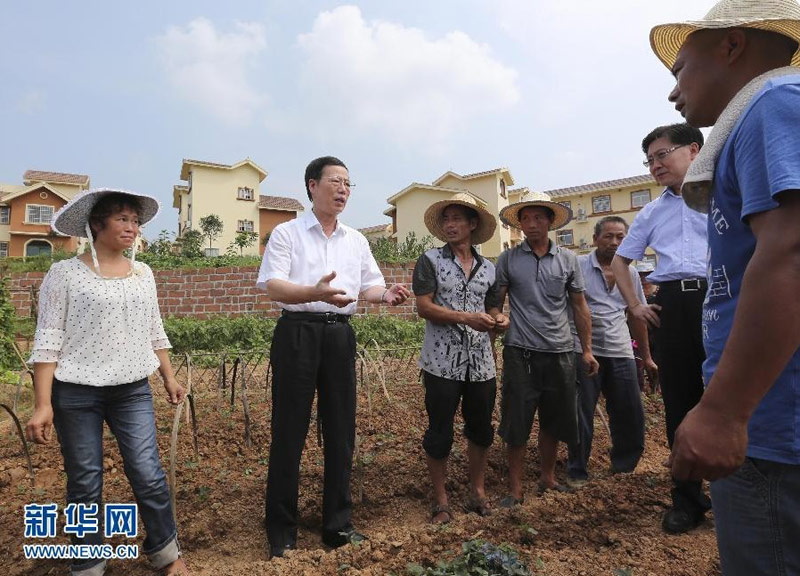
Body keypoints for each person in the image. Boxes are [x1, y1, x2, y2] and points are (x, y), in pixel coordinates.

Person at [650, 1, 800, 572]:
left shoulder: (773, 105)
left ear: (731, 46)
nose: (674, 92)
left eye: (679, 69)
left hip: (773, 422)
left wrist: (725, 412)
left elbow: (790, 255)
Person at [25, 189, 190, 576]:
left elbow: (154, 330)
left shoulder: (143, 273)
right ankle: (87, 562)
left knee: (147, 473)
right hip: (75, 392)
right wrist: (43, 403)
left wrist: (168, 377)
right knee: (84, 481)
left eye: (135, 220)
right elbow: (48, 340)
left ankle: (167, 555)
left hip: (131, 390)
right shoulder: (64, 274)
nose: (131, 227)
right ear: (96, 225)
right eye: (122, 219)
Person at [257, 156, 410, 558]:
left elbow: (369, 287)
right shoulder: (287, 233)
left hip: (340, 337)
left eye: (348, 183)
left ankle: (337, 525)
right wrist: (315, 293)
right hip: (297, 333)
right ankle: (281, 531)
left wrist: (387, 295)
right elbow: (273, 286)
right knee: (289, 432)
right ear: (312, 186)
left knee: (341, 431)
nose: (343, 189)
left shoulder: (356, 240)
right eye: (335, 182)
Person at [610, 123, 710, 534]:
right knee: (680, 402)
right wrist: (636, 304)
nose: (655, 165)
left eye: (662, 155)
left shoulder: (726, 196)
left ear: (693, 149)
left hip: (721, 298)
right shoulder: (651, 212)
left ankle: (743, 494)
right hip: (672, 305)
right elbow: (621, 261)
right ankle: (687, 500)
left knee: (735, 392)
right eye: (649, 160)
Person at [495, 192, 599, 505]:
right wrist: (496, 319)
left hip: (561, 351)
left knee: (554, 420)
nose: (532, 224)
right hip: (520, 352)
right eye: (526, 218)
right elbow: (496, 303)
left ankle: (548, 478)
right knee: (517, 422)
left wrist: (587, 349)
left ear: (550, 221)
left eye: (539, 217)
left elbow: (580, 306)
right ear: (520, 224)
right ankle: (515, 489)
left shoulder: (568, 260)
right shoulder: (509, 259)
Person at [412, 193, 509, 523]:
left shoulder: (489, 268)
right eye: (446, 220)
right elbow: (424, 307)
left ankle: (477, 491)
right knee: (440, 430)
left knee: (481, 429)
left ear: (472, 225)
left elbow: (493, 305)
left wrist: (499, 319)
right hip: (441, 363)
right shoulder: (430, 261)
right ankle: (441, 501)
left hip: (481, 363)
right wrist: (467, 318)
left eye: (457, 219)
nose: (451, 225)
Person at [566, 216, 655, 487]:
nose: (615, 242)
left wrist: (647, 357)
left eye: (621, 237)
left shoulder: (630, 274)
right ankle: (577, 470)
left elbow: (635, 315)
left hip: (621, 351)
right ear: (595, 239)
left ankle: (624, 467)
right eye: (608, 236)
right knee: (580, 413)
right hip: (584, 350)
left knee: (630, 411)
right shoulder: (578, 266)